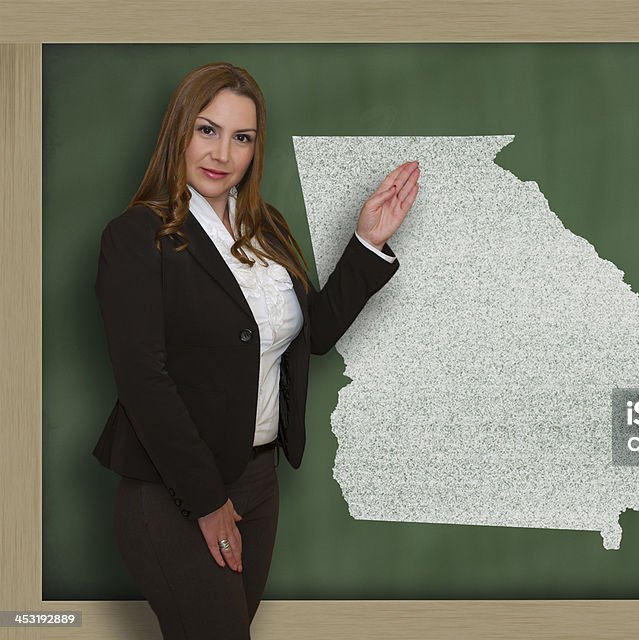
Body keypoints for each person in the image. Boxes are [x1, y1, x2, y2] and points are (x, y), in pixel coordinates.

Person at [90, 61, 418, 639]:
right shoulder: (136, 236)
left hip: (258, 481)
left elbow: (310, 335)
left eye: (241, 137)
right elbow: (145, 381)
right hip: (176, 489)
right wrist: (208, 502)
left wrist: (368, 241)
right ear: (179, 133)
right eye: (207, 130)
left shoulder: (267, 227)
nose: (222, 153)